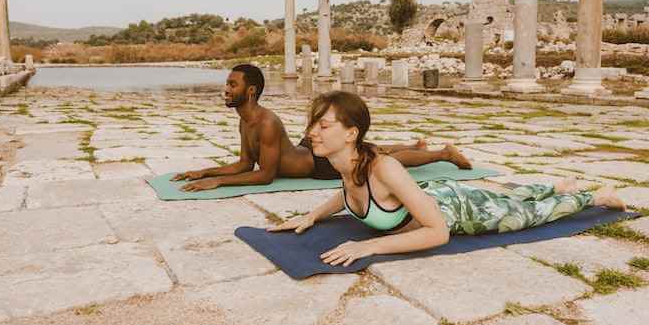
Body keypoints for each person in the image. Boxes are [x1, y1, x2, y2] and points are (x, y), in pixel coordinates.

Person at [270, 90, 626, 267]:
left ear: (351, 133)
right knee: (511, 197)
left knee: (526, 214)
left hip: (460, 210)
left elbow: (438, 233)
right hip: (437, 194)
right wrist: (313, 215)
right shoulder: (345, 164)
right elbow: (348, 194)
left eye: (323, 125)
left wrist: (370, 246)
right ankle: (553, 183)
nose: (312, 132)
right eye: (313, 124)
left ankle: (593, 197)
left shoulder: (384, 167)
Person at [171, 64, 472, 191]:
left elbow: (264, 176)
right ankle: (414, 146)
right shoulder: (246, 119)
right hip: (306, 150)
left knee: (380, 159)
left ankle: (442, 154)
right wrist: (205, 172)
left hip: (319, 164)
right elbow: (245, 163)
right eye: (227, 83)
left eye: (232, 84)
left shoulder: (266, 122)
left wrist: (219, 183)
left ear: (250, 91)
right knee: (372, 149)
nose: (226, 89)